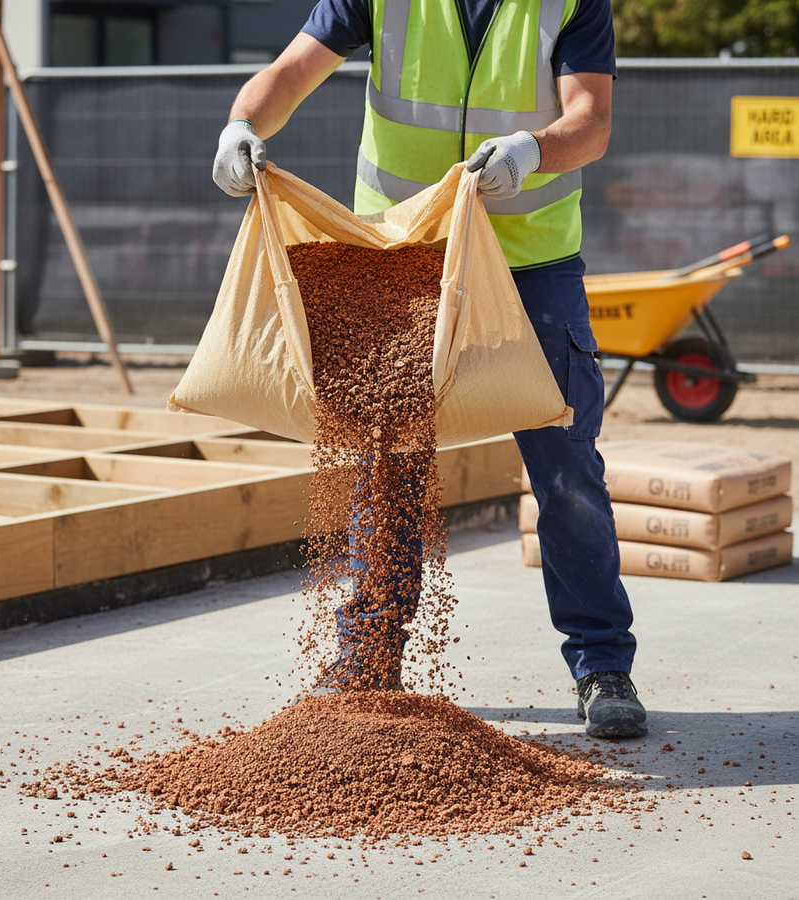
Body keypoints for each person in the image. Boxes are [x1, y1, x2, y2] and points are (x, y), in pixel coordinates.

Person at [212, 0, 648, 739]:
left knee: (567, 471)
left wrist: (532, 152)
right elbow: (288, 74)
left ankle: (602, 666)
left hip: (530, 264)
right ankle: (368, 657)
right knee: (386, 463)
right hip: (403, 257)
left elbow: (591, 120)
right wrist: (241, 125)